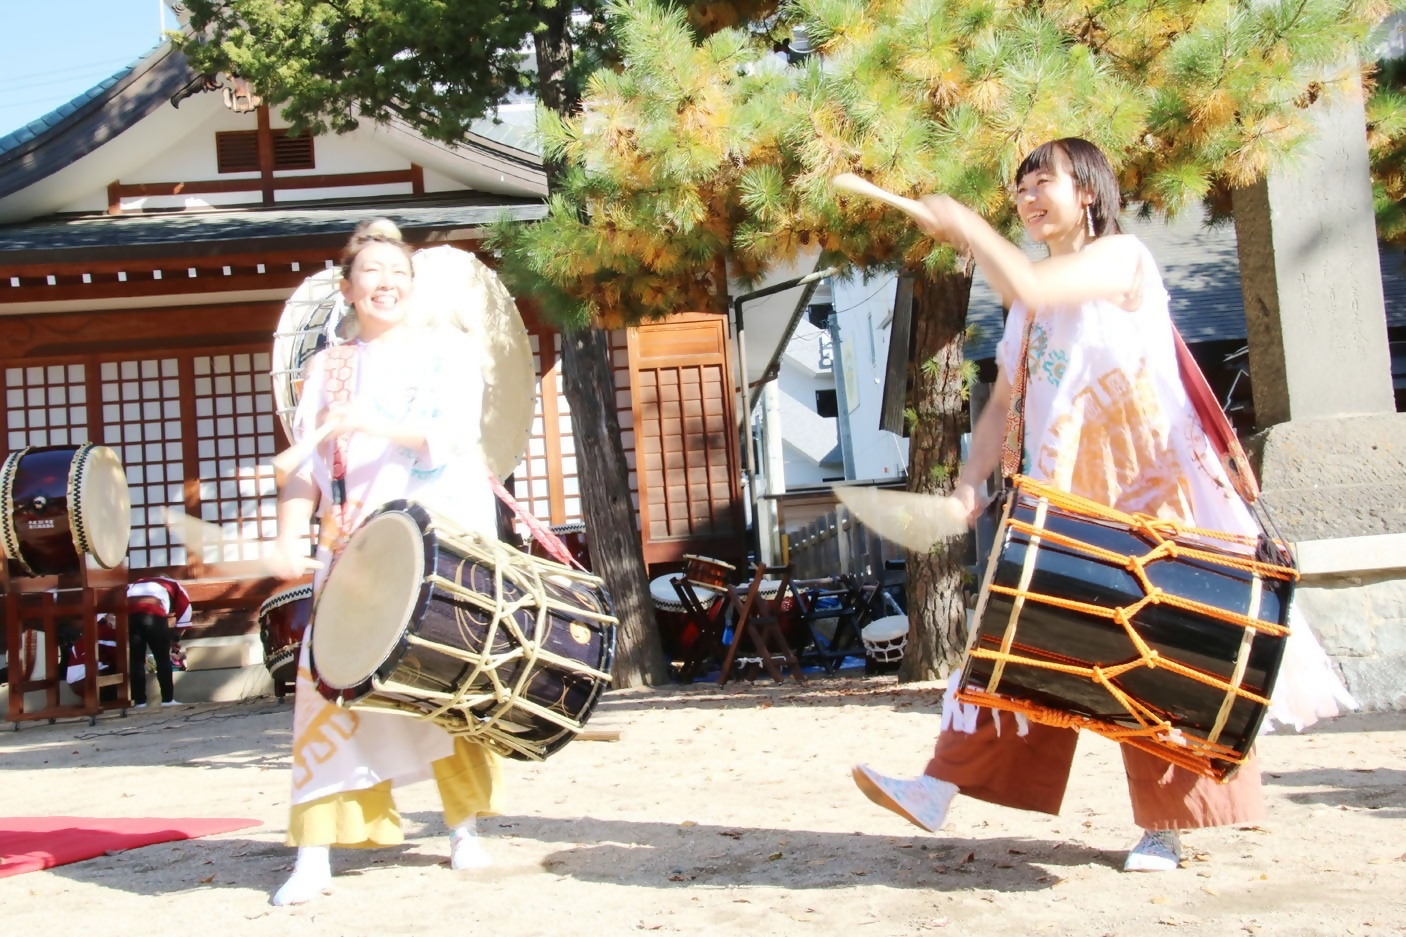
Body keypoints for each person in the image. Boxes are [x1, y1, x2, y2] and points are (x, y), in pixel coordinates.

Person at [851, 138, 1355, 873]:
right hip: (1067, 500)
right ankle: (939, 783)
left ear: (1086, 190)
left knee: (1158, 661)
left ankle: (1166, 828)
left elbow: (1027, 279)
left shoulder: (1125, 260)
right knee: (1017, 638)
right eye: (1017, 188)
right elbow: (1001, 404)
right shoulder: (1026, 303)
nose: (1026, 198)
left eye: (1041, 182)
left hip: (1154, 493)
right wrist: (969, 479)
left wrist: (966, 226)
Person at [269, 219, 503, 906]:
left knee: (443, 685)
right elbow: (306, 468)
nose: (387, 282)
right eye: (371, 272)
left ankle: (463, 827)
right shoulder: (328, 368)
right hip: (350, 546)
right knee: (327, 693)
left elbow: (450, 437)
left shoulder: (448, 354)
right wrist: (289, 535)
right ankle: (313, 850)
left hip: (432, 542)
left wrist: (369, 423)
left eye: (398, 272)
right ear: (347, 289)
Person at [126, 576, 192, 707]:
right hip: (154, 613)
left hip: (131, 614)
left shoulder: (134, 582)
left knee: (136, 660)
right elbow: (185, 610)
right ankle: (167, 700)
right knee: (162, 658)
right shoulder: (172, 583)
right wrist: (176, 637)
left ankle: (139, 702)